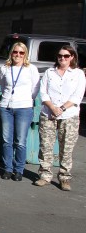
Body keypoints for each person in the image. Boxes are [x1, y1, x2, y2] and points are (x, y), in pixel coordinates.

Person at [35, 46, 85, 190]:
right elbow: (43, 93)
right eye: (60, 56)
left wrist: (61, 109)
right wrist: (52, 108)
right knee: (46, 146)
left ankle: (64, 177)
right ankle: (45, 175)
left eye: (66, 56)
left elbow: (77, 96)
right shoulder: (49, 73)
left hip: (69, 115)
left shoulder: (78, 74)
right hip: (48, 114)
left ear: (72, 57)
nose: (62, 58)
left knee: (67, 148)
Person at [0, 42, 40, 181]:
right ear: (11, 53)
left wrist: (27, 100)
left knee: (20, 141)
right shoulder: (5, 68)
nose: (18, 55)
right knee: (6, 140)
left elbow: (35, 88)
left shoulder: (31, 69)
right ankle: (7, 169)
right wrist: (8, 98)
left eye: (21, 53)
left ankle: (19, 170)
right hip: (6, 107)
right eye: (15, 52)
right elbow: (4, 86)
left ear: (25, 54)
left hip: (24, 107)